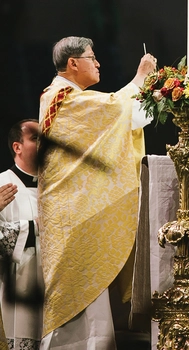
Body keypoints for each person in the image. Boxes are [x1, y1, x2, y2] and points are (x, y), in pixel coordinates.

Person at [38, 36, 156, 350]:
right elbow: (118, 110)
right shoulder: (62, 97)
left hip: (75, 211)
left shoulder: (67, 97)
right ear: (73, 63)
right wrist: (141, 77)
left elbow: (125, 116)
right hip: (71, 214)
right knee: (77, 301)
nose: (98, 63)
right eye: (92, 57)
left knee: (89, 301)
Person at [0, 118, 42, 350]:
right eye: (36, 138)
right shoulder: (2, 184)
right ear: (17, 147)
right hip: (14, 293)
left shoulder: (58, 187)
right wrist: (35, 228)